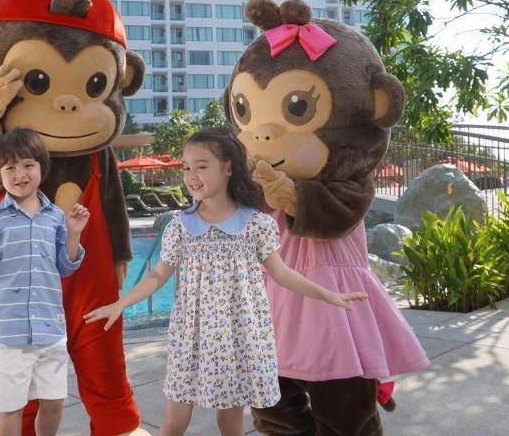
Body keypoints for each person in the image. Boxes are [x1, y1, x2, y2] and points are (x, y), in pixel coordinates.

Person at [84, 128, 367, 436]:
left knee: (229, 423)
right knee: (175, 422)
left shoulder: (256, 225)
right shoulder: (180, 228)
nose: (191, 175)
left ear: (228, 167)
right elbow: (157, 275)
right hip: (191, 337)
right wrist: (120, 304)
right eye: (186, 167)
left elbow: (283, 274)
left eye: (201, 166)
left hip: (239, 337)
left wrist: (329, 295)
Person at [0, 128, 90, 436]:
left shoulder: (55, 217)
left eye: (27, 165)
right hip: (7, 333)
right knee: (11, 409)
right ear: (0, 173)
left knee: (54, 404)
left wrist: (74, 234)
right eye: (9, 167)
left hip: (50, 329)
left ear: (41, 168)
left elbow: (66, 266)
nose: (19, 174)